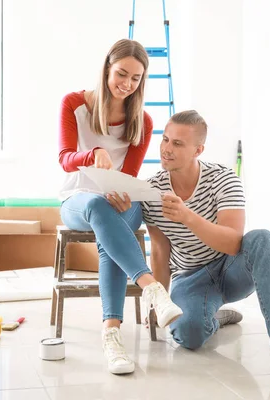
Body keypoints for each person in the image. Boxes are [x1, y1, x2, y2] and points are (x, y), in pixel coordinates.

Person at [141, 110, 270, 391]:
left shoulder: (224, 179)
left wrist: (187, 216)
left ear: (199, 150)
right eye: (165, 140)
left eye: (178, 144)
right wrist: (158, 305)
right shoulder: (153, 191)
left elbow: (234, 242)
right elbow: (160, 252)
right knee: (188, 335)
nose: (167, 149)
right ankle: (213, 318)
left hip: (231, 267)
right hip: (190, 277)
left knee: (261, 238)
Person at [57, 38, 182, 375]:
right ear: (107, 69)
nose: (127, 84)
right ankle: (151, 288)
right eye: (121, 74)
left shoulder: (142, 121)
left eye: (136, 78)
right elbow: (65, 159)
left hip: (117, 202)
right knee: (100, 208)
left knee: (112, 216)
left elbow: (127, 176)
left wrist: (124, 193)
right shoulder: (74, 104)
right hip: (77, 199)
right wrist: (91, 155)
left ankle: (112, 336)